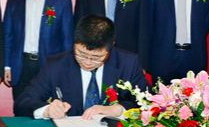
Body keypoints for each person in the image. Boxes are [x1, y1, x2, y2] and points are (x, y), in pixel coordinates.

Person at [16, 15, 147, 119]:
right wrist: (47, 110)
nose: (87, 62)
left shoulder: (128, 63)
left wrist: (119, 109)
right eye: (81, 54)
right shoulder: (56, 64)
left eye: (96, 57)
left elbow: (147, 103)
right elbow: (23, 102)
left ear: (111, 45)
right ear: (74, 43)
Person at [3, 0, 73, 116]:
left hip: (51, 64)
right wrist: (7, 65)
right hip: (21, 63)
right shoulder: (14, 1)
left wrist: (65, 67)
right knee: (21, 108)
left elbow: (67, 39)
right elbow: (7, 36)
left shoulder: (62, 2)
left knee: (51, 109)